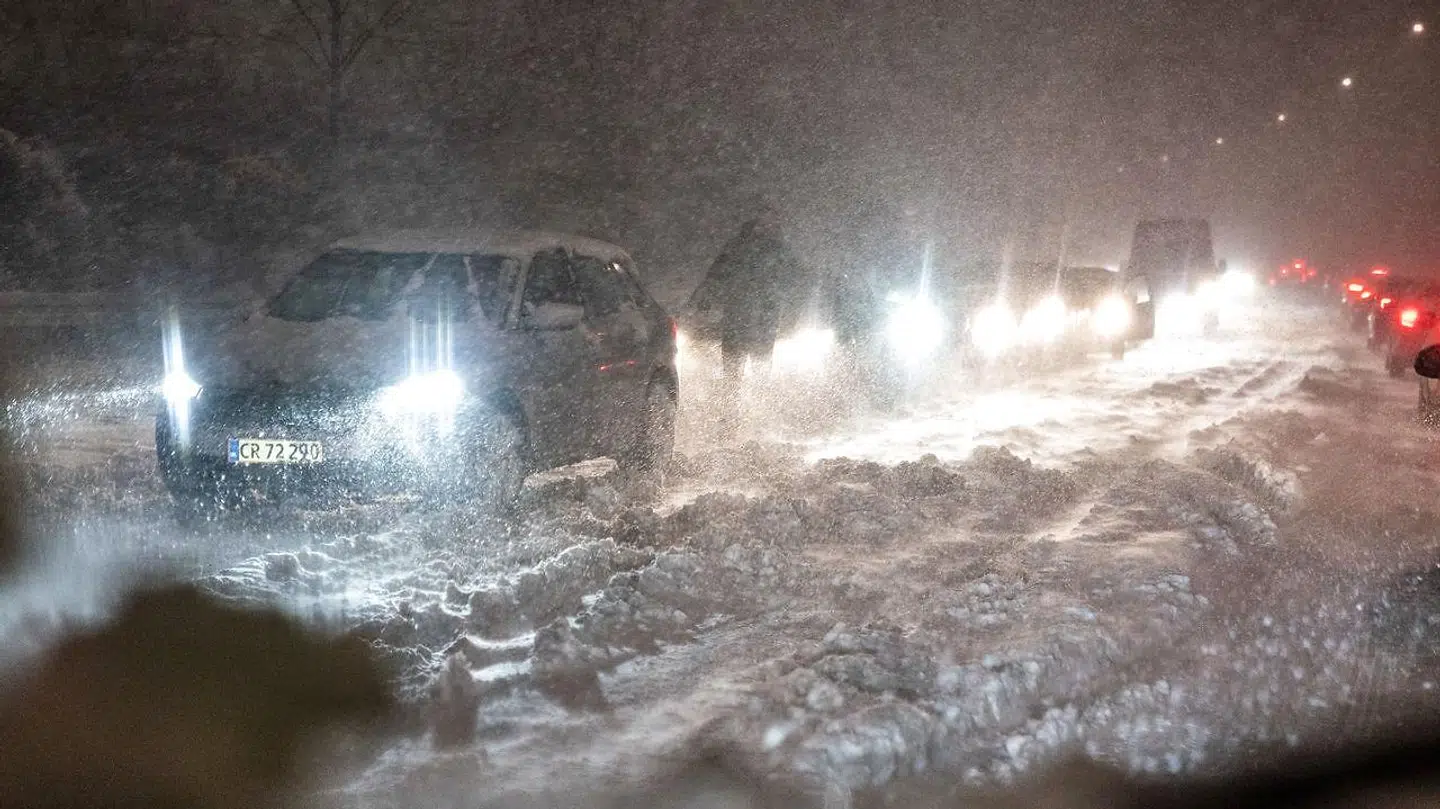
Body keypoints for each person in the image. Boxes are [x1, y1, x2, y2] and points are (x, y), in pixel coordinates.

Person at [688, 206, 814, 381]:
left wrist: (791, 301)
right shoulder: (742, 245)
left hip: (761, 310)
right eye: (763, 221)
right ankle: (734, 391)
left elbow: (796, 279)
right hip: (742, 308)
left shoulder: (777, 250)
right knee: (736, 356)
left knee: (758, 355)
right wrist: (708, 295)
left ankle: (755, 389)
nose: (766, 225)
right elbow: (719, 272)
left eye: (770, 221)